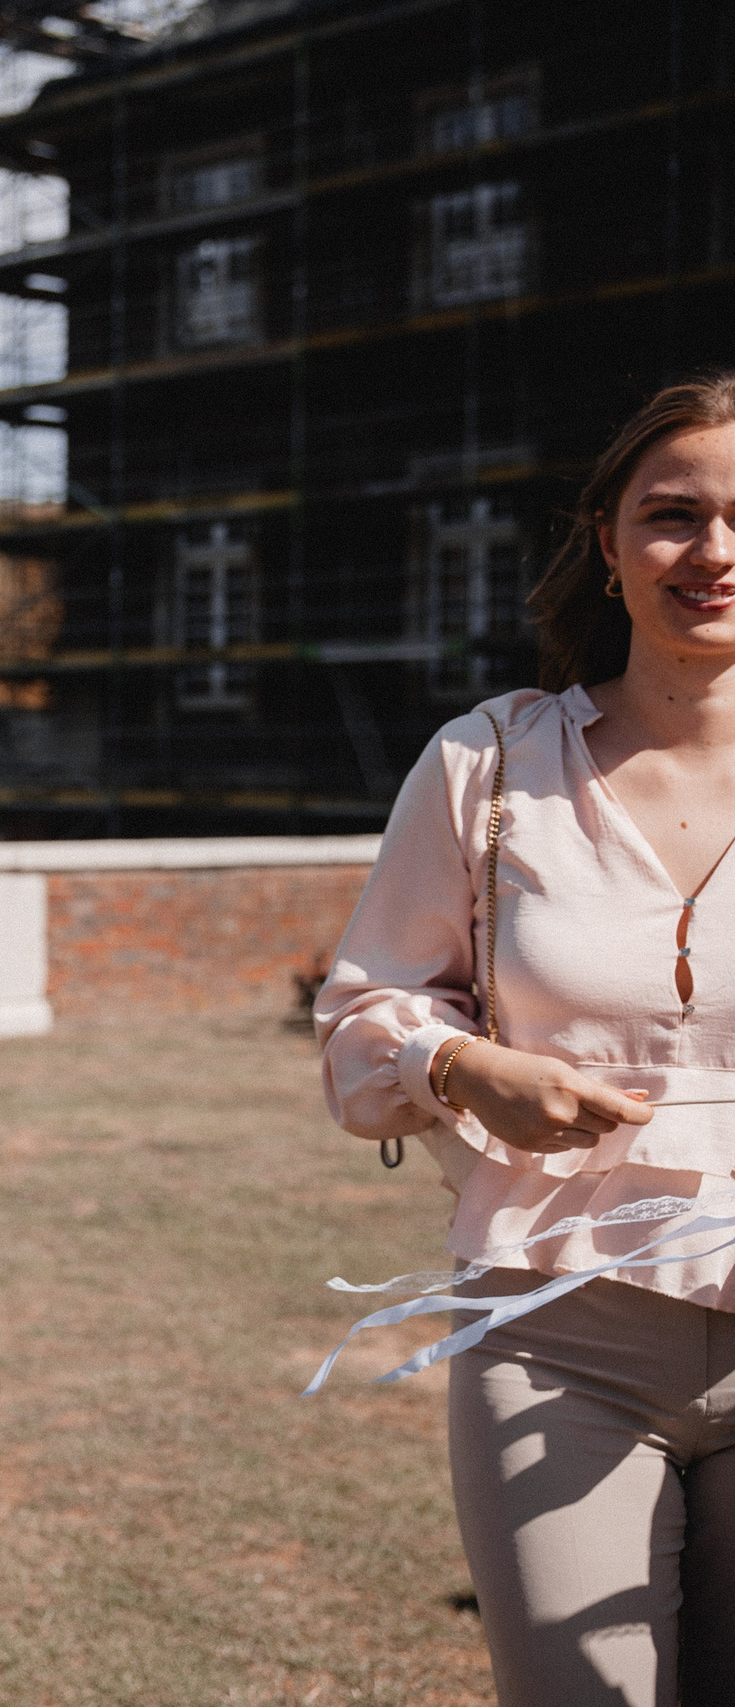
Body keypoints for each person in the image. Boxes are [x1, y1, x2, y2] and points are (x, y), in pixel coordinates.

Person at [317, 371, 735, 1707]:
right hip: (556, 1330)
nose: (714, 549)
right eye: (673, 512)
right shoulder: (485, 765)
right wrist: (458, 1063)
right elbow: (360, 1011)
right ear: (606, 542)